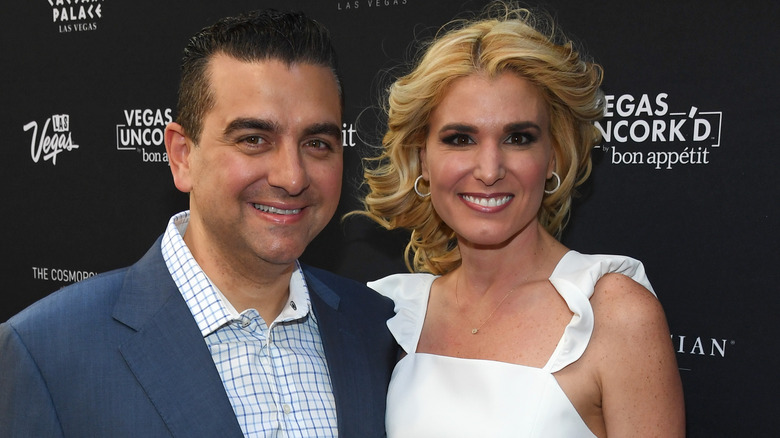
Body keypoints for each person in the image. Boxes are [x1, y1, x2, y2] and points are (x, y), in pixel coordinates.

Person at [0, 9, 397, 438]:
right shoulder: (46, 351)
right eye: (253, 140)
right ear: (182, 155)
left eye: (317, 143)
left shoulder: (377, 327)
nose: (292, 176)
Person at [353, 3, 685, 437]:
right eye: (460, 139)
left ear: (553, 156)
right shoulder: (390, 315)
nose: (489, 169)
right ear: (423, 160)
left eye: (518, 138)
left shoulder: (613, 314)